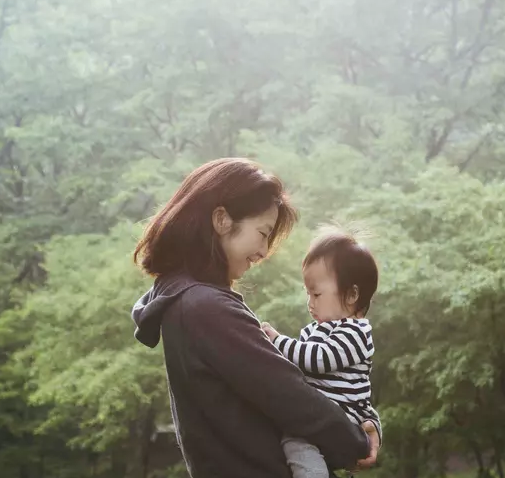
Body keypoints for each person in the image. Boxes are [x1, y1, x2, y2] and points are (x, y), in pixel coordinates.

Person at [131, 158, 380, 478]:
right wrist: (357, 441)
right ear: (221, 220)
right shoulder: (205, 307)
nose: (263, 251)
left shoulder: (186, 299)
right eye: (262, 233)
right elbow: (288, 394)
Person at [261, 225, 382, 478]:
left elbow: (318, 359)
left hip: (344, 419)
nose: (310, 302)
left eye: (316, 293)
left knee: (297, 444)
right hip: (321, 419)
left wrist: (276, 341)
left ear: (351, 295)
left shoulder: (356, 332)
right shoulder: (313, 332)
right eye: (307, 293)